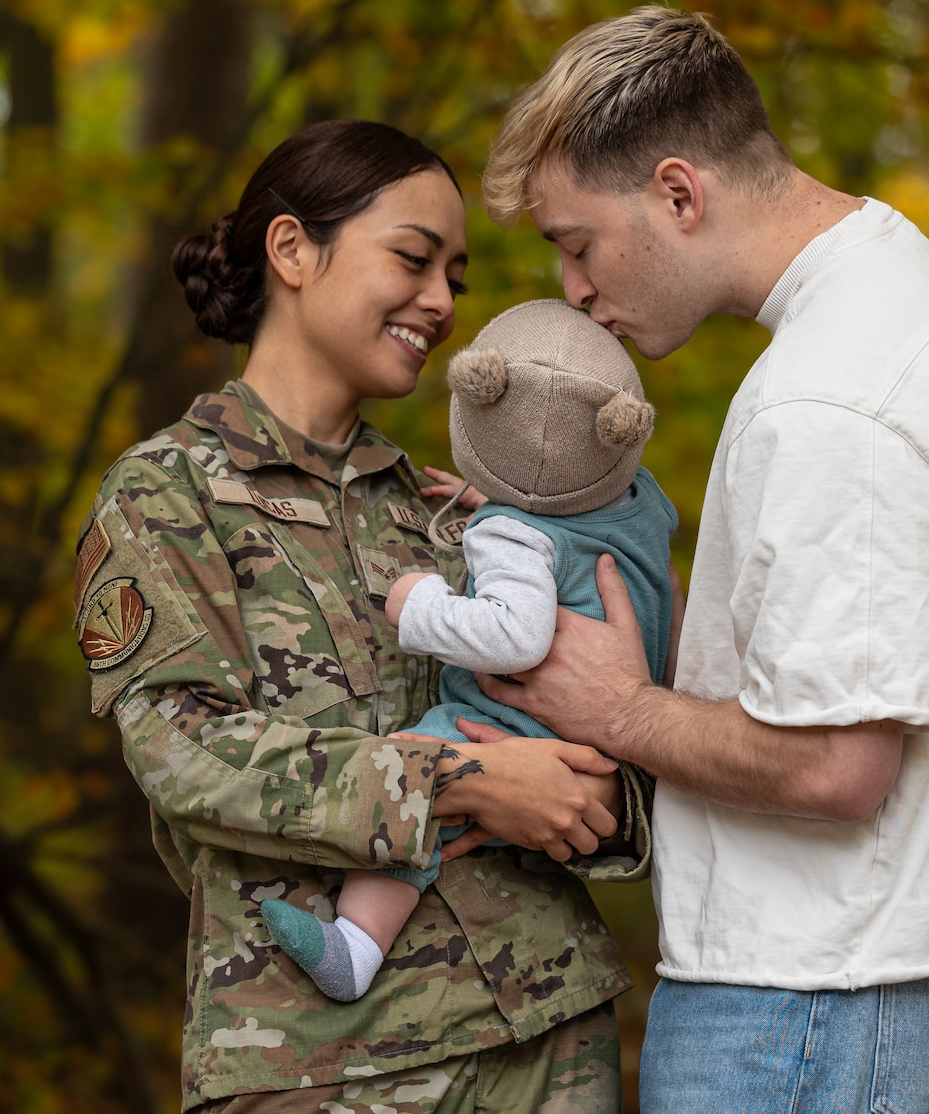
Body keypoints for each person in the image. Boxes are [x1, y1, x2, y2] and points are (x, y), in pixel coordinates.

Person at [470, 8, 929, 1113]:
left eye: (575, 242)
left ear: (676, 192)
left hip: (818, 1001)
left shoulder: (829, 396)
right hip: (889, 980)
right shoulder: (923, 302)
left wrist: (620, 706)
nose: (571, 289)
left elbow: (834, 763)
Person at [76, 119, 651, 1113]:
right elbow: (187, 753)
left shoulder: (456, 511)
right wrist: (459, 780)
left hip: (549, 1032)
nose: (439, 303)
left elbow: (574, 716)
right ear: (292, 249)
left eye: (454, 279)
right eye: (413, 259)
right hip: (324, 1060)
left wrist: (597, 794)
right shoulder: (167, 492)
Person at [258, 299, 680, 1003]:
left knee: (419, 760)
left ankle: (355, 947)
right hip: (614, 731)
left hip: (520, 725)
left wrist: (416, 601)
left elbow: (516, 637)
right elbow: (568, 508)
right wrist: (505, 499)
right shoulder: (644, 499)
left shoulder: (513, 533)